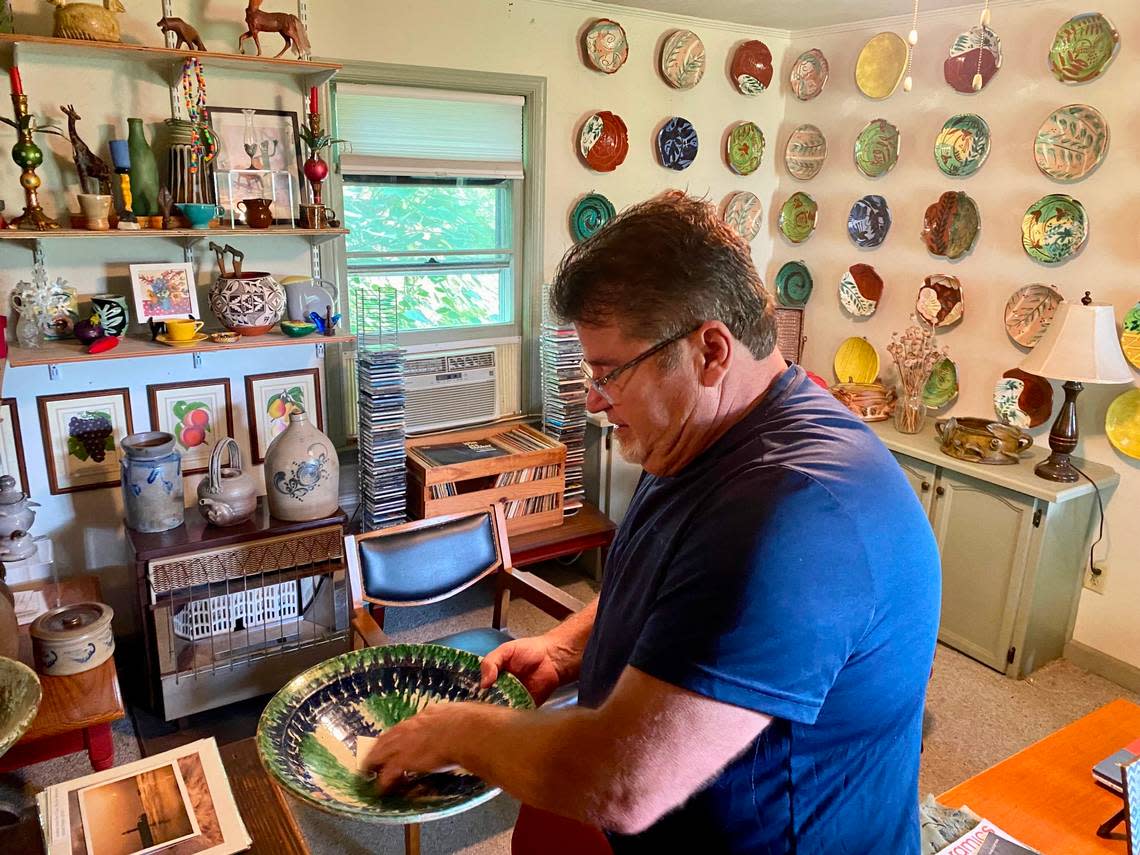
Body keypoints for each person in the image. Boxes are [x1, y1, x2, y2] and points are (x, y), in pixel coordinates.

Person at [362, 192, 941, 853]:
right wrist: (569, 645)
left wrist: (451, 732)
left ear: (711, 351)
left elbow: (625, 782)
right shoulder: (708, 431)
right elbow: (675, 585)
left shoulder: (795, 514)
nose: (592, 396)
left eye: (610, 372)